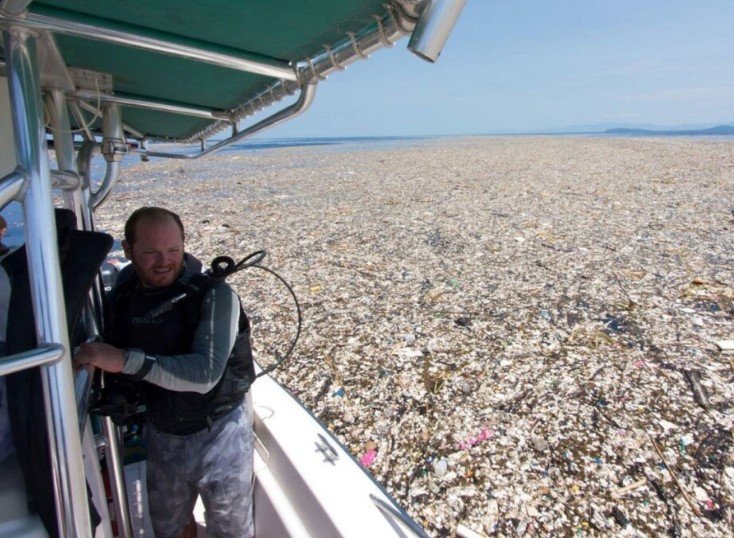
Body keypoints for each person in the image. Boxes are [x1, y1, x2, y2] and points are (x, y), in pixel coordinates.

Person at [74, 207, 254, 538]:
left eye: (173, 250)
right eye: (150, 252)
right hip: (163, 431)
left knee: (231, 529)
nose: (164, 261)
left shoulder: (216, 295)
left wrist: (124, 361)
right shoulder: (126, 296)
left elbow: (205, 374)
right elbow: (110, 339)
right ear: (127, 250)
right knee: (168, 525)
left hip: (222, 431)